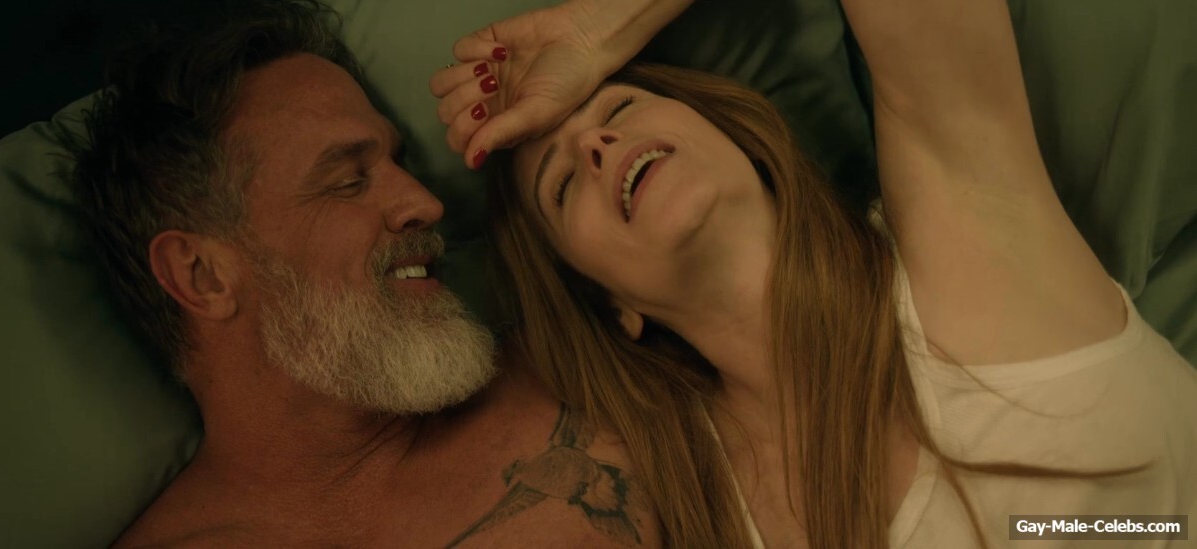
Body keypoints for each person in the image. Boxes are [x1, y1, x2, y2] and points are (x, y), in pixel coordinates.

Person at [432, 0, 1197, 547]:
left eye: (621, 106)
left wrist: (599, 26)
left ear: (737, 140)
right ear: (611, 305)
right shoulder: (696, 507)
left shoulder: (964, 229)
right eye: (563, 185)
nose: (596, 144)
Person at [69, 1, 663, 546]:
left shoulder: (581, 362)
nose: (425, 203)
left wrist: (592, 31)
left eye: (399, 162)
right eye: (348, 181)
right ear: (202, 276)